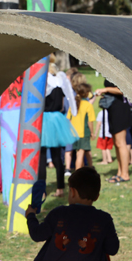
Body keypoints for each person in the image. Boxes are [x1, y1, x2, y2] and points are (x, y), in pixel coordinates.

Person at [40, 57, 78, 197]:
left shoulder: (44, 82)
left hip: (44, 119)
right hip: (57, 119)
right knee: (57, 157)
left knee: (42, 157)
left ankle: (42, 190)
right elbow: (65, 102)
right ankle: (61, 188)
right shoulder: (60, 81)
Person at [94, 79, 132, 183]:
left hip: (120, 109)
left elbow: (123, 90)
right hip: (113, 110)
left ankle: (125, 175)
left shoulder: (118, 72)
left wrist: (105, 89)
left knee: (121, 143)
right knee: (117, 143)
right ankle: (120, 173)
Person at [67, 83, 96, 170]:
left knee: (83, 152)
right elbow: (90, 122)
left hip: (74, 133)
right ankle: (78, 172)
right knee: (80, 153)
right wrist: (92, 132)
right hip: (83, 133)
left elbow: (69, 119)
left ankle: (89, 168)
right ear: (87, 93)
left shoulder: (73, 105)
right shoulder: (88, 105)